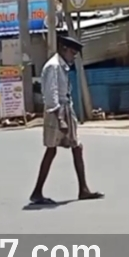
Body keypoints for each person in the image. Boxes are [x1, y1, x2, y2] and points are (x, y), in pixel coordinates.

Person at [29, 36, 103, 205]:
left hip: (66, 109)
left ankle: (83, 189)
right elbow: (51, 94)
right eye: (72, 53)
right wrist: (60, 119)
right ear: (64, 49)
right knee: (52, 149)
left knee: (76, 147)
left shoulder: (61, 66)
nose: (73, 56)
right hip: (57, 111)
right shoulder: (53, 67)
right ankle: (37, 192)